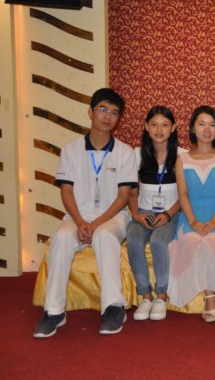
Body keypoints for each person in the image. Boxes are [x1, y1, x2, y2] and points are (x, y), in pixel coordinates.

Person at [33, 88, 137, 338]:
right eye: (102, 109)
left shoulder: (125, 152)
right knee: (62, 237)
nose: (107, 116)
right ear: (90, 112)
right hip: (77, 216)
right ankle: (54, 311)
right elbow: (66, 191)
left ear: (118, 118)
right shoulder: (71, 150)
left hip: (113, 217)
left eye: (114, 112)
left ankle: (113, 307)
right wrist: (81, 222)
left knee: (103, 235)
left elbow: (123, 196)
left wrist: (96, 223)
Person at [168, 105, 215, 322]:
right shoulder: (182, 159)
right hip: (191, 215)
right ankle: (209, 295)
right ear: (192, 128)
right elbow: (183, 194)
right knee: (192, 239)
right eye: (202, 124)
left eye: (212, 124)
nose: (207, 129)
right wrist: (193, 221)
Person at [126, 106, 185, 321]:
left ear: (173, 128)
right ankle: (145, 296)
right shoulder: (136, 154)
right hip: (143, 212)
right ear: (146, 127)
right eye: (154, 125)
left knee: (159, 241)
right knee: (134, 239)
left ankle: (161, 296)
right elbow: (131, 192)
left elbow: (185, 195)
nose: (159, 130)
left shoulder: (182, 156)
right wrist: (136, 215)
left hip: (171, 213)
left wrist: (168, 215)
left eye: (165, 125)